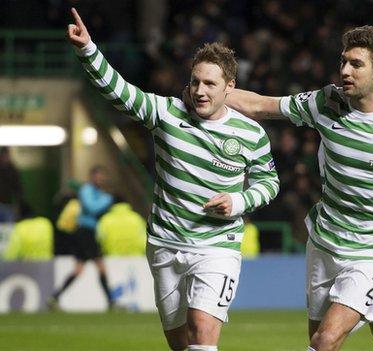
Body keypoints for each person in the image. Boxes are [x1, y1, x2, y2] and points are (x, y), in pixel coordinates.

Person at [194, 25, 373, 351]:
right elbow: (261, 105)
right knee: (318, 339)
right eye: (343, 61)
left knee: (325, 340)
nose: (345, 71)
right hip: (325, 240)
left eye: (356, 64)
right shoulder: (327, 102)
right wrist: (209, 93)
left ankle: (370, 299)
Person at [66, 8, 279, 351]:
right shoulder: (165, 114)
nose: (200, 90)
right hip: (165, 244)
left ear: (230, 87)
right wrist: (88, 49)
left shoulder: (250, 133)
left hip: (216, 246)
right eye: (195, 81)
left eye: (210, 83)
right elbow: (120, 92)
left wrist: (237, 201)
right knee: (180, 343)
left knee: (203, 329)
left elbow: (269, 184)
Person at [48, 165, 115, 309]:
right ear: (92, 177)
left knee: (79, 269)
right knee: (101, 266)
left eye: (102, 176)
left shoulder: (97, 192)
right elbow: (91, 208)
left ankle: (55, 297)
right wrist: (106, 200)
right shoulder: (87, 190)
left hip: (88, 232)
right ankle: (111, 302)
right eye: (99, 176)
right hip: (85, 232)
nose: (101, 179)